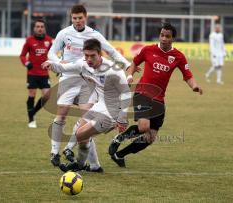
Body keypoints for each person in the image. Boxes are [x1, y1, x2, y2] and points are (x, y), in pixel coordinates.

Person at [47, 4, 130, 171]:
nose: (77, 21)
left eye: (80, 18)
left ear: (86, 17)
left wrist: (127, 66)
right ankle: (59, 154)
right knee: (65, 116)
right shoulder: (65, 36)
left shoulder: (96, 39)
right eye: (74, 18)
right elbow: (55, 57)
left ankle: (79, 160)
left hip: (95, 91)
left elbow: (112, 52)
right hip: (71, 81)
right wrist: (55, 63)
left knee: (83, 127)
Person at [108, 22, 203, 168]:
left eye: (167, 36)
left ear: (173, 39)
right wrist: (129, 76)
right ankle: (118, 138)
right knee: (144, 126)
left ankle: (120, 154)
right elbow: (134, 63)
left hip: (159, 98)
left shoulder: (178, 56)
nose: (164, 39)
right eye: (162, 35)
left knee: (150, 137)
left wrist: (194, 86)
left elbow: (187, 75)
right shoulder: (148, 50)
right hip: (143, 93)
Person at [20, 19, 53, 128]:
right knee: (32, 95)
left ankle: (32, 112)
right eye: (37, 26)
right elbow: (22, 55)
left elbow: (52, 55)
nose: (40, 28)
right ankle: (31, 120)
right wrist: (26, 63)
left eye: (42, 27)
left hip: (44, 74)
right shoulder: (29, 40)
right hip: (32, 74)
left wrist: (56, 65)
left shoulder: (49, 40)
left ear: (44, 28)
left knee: (47, 96)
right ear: (34, 28)